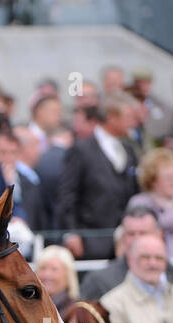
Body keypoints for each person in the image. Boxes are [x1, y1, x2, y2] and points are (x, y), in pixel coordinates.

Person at [56, 93, 139, 260]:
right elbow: (67, 194)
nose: (133, 123)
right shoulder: (81, 150)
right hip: (90, 242)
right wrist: (71, 233)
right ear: (112, 118)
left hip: (124, 243)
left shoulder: (128, 150)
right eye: (128, 116)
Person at [33, 244, 78, 315]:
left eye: (54, 269)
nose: (47, 274)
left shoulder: (75, 311)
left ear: (67, 275)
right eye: (43, 268)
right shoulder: (26, 307)